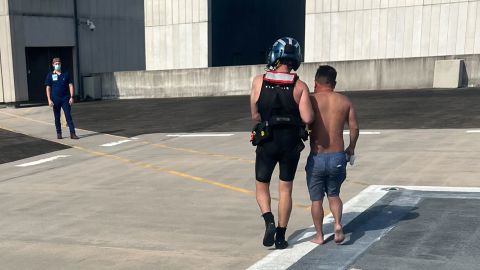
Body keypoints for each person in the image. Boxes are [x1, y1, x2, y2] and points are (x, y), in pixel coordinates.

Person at [250, 37, 314, 249]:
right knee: (285, 188)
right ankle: (280, 235)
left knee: (262, 184)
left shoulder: (259, 81)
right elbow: (307, 119)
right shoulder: (300, 86)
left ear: (275, 55)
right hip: (290, 143)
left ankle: (268, 220)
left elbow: (255, 115)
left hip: (267, 140)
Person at [306, 65, 359, 245]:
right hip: (337, 156)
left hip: (317, 156)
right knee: (334, 195)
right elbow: (354, 127)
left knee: (316, 200)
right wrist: (351, 147)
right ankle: (337, 225)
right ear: (333, 83)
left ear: (315, 82)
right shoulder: (344, 101)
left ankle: (319, 235)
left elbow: (303, 123)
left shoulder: (311, 100)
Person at [45, 57, 79, 139]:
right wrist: (49, 100)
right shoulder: (50, 75)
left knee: (68, 116)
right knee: (57, 117)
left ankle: (72, 133)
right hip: (55, 99)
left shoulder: (66, 74)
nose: (57, 65)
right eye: (56, 64)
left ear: (61, 64)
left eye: (59, 64)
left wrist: (71, 97)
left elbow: (70, 85)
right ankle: (59, 133)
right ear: (53, 65)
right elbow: (48, 88)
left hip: (65, 99)